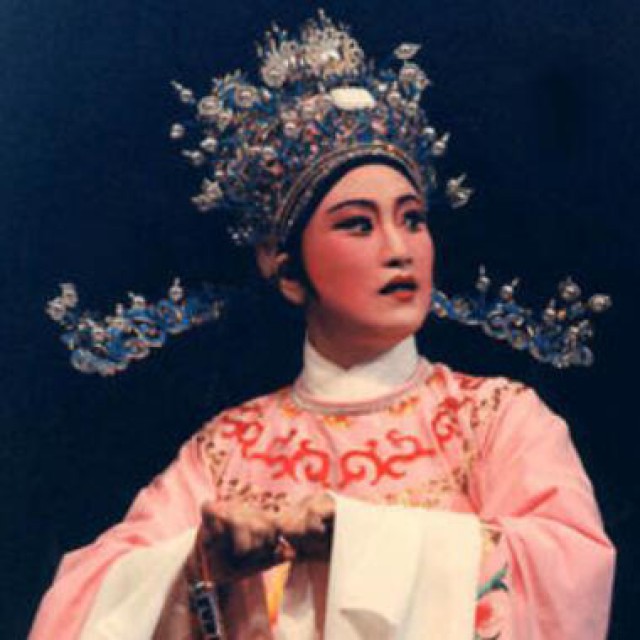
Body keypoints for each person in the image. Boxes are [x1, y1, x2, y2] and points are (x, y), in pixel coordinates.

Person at [32, 11, 615, 640]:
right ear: (288, 272)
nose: (400, 249)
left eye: (413, 219)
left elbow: (566, 570)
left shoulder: (496, 419)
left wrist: (359, 538)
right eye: (358, 224)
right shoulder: (226, 450)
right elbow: (85, 604)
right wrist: (200, 566)